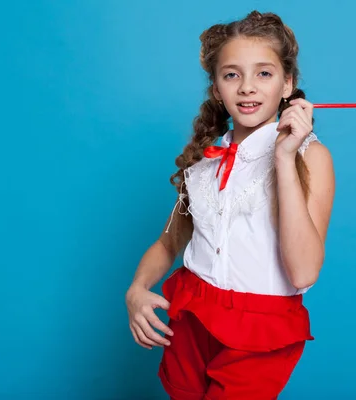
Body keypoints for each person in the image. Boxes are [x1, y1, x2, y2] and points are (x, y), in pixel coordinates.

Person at [125, 10, 335, 399]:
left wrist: (284, 158)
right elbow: (169, 243)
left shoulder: (309, 156)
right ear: (217, 88)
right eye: (232, 74)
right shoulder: (205, 159)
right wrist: (136, 289)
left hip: (260, 327)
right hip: (191, 311)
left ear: (288, 84)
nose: (247, 88)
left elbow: (304, 272)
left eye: (264, 73)